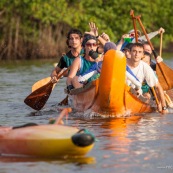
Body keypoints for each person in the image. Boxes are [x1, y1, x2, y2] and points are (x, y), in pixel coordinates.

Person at [126, 42, 168, 114]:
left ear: (142, 55)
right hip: (122, 90)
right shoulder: (122, 62)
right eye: (134, 51)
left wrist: (163, 107)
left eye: (139, 52)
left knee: (147, 96)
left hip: (136, 93)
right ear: (129, 52)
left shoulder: (145, 67)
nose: (136, 54)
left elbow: (158, 87)